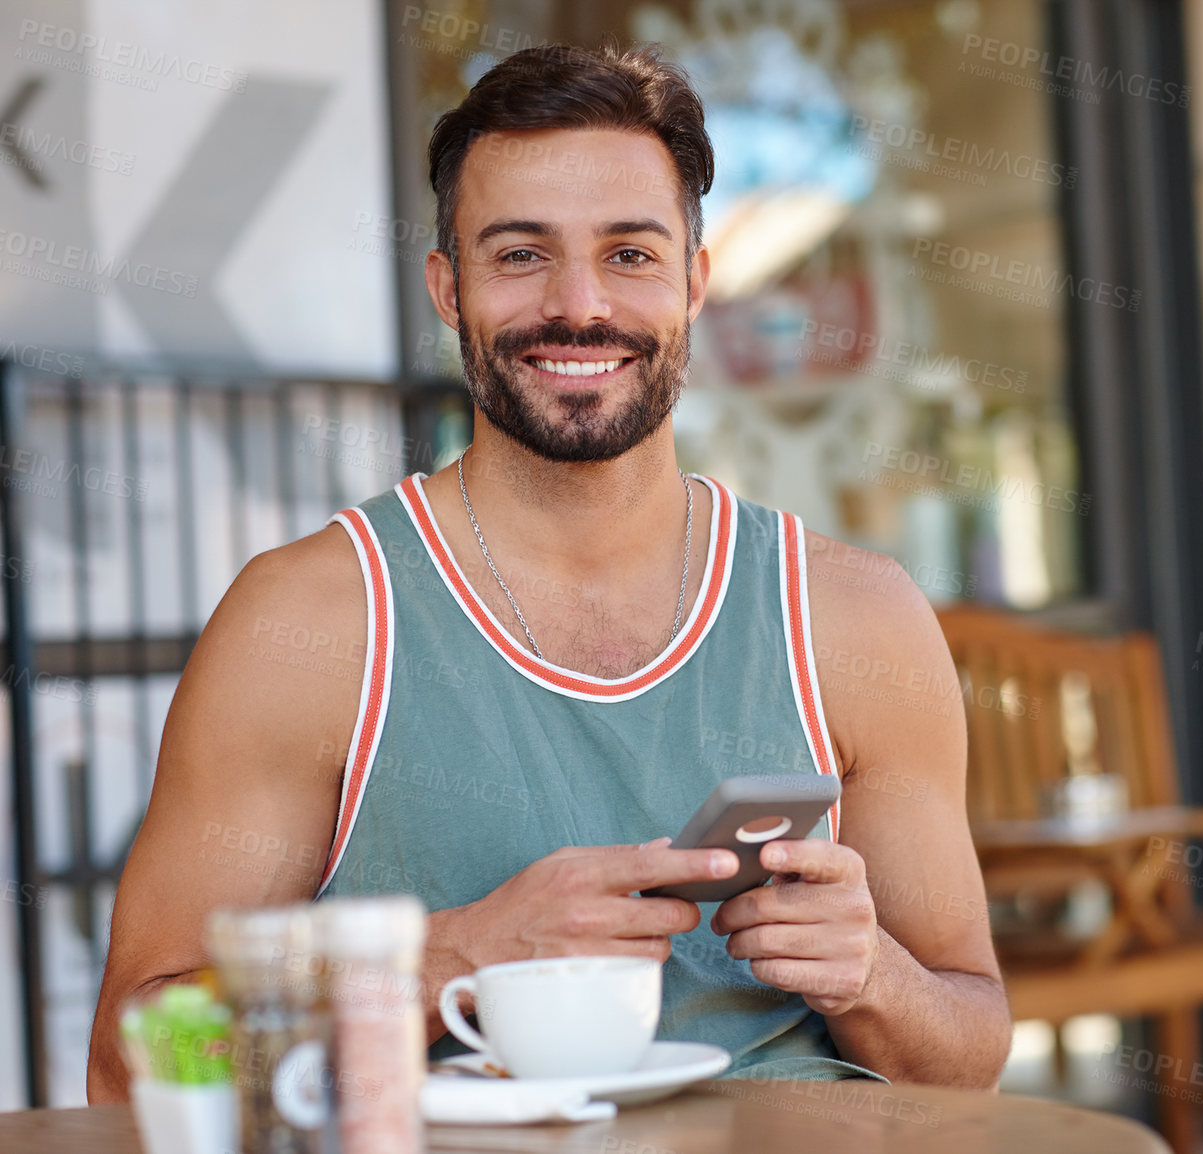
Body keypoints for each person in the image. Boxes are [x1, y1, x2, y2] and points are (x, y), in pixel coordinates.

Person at [87, 42, 1010, 1101]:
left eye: (630, 253)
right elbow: (129, 1060)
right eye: (520, 254)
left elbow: (969, 1054)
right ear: (448, 287)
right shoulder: (311, 619)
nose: (580, 305)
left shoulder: (854, 615)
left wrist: (874, 976)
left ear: (695, 281)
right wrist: (456, 955)